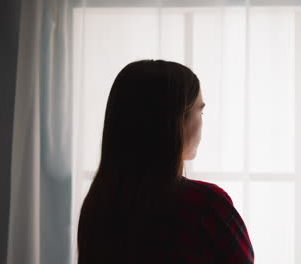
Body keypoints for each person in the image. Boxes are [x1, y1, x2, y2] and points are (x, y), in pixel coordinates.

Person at [77, 60, 254, 264]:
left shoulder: (98, 205)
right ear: (177, 121)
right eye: (200, 111)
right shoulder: (206, 205)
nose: (202, 123)